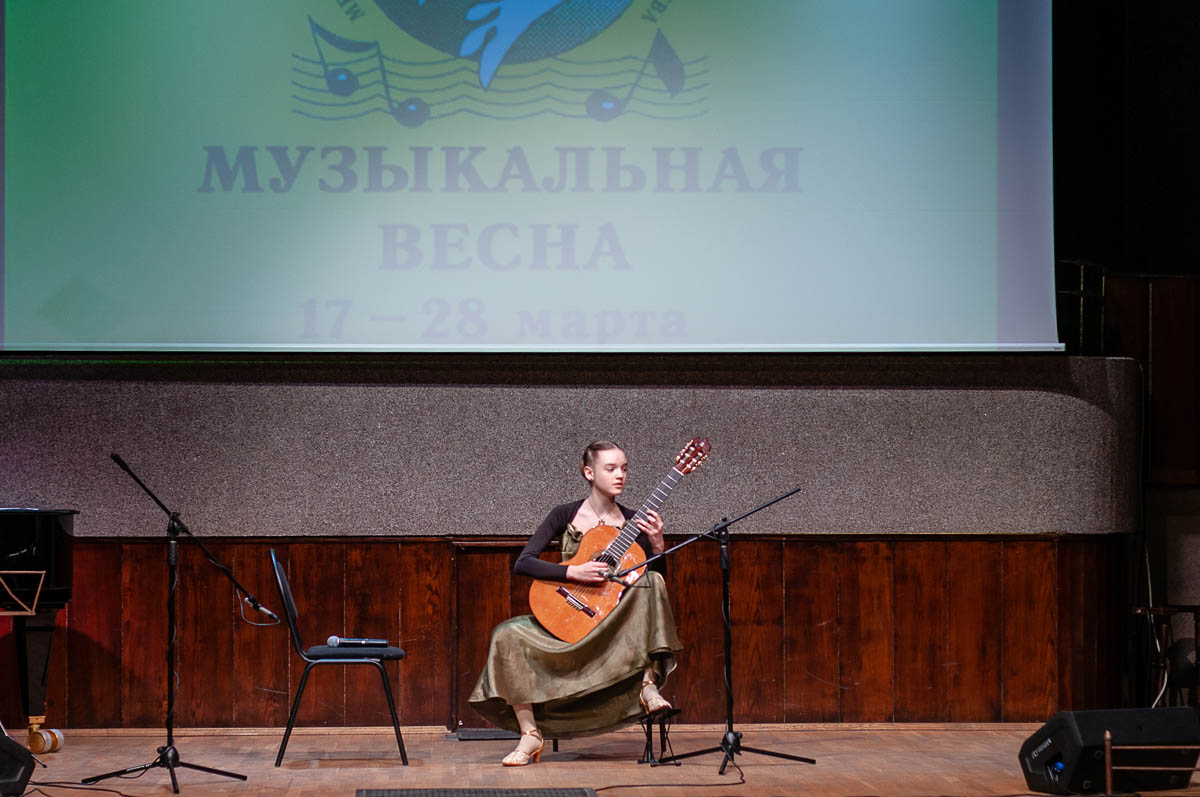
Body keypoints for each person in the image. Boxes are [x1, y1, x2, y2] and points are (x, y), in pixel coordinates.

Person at [468, 440, 683, 766]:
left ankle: (648, 685)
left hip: (614, 628)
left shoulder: (635, 522)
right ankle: (530, 733)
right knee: (505, 634)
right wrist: (572, 571)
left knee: (652, 582)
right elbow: (523, 563)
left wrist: (656, 545)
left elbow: (654, 585)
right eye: (611, 468)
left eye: (624, 468)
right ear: (589, 472)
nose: (620, 475)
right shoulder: (564, 514)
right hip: (570, 617)